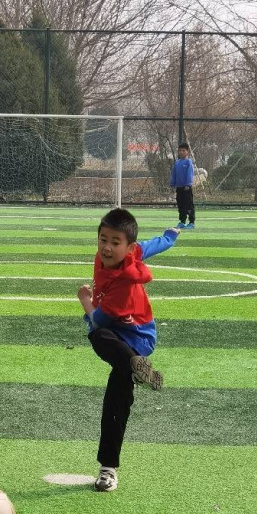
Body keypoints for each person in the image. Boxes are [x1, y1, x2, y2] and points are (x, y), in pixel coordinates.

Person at [77, 208, 181, 492]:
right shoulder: (120, 254)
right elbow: (151, 245)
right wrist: (169, 237)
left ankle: (108, 469)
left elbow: (99, 319)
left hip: (137, 338)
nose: (107, 248)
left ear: (128, 247)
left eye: (115, 242)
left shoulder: (124, 282)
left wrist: (84, 299)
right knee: (116, 393)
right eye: (103, 239)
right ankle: (136, 367)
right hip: (121, 340)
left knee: (97, 334)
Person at [170, 142, 195, 229]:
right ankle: (182, 221)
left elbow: (190, 174)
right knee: (181, 205)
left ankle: (191, 222)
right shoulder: (177, 162)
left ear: (187, 152)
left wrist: (187, 184)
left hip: (187, 188)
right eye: (180, 150)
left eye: (183, 150)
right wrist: (172, 183)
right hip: (179, 188)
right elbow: (174, 174)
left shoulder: (189, 162)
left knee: (189, 205)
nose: (181, 152)